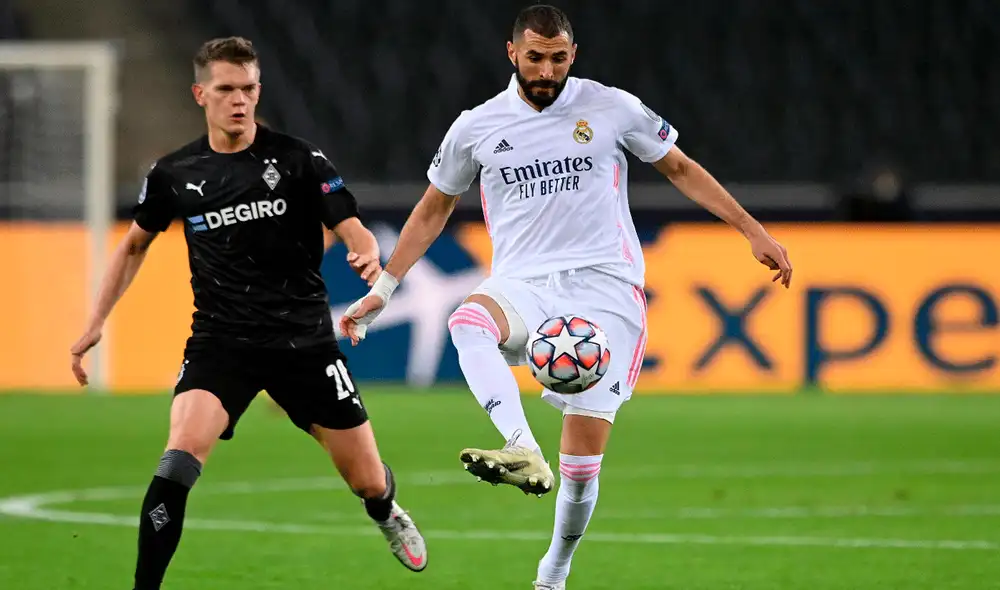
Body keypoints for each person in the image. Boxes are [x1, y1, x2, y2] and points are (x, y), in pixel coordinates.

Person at [340, 5, 792, 589]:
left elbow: (678, 167)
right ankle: (522, 445)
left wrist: (751, 228)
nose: (546, 69)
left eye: (557, 58)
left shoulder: (612, 107)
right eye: (535, 57)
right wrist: (384, 288)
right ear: (512, 54)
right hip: (524, 281)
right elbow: (434, 207)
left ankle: (554, 570)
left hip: (606, 289)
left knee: (581, 465)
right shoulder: (476, 126)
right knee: (468, 321)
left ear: (572, 55)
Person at [68, 36, 427, 590]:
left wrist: (364, 250)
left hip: (304, 345)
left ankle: (385, 511)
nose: (239, 100)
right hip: (220, 344)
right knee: (178, 459)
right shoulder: (174, 174)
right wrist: (94, 323)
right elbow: (133, 246)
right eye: (226, 89)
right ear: (200, 94)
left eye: (249, 88)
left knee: (367, 481)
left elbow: (349, 224)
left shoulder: (299, 159)